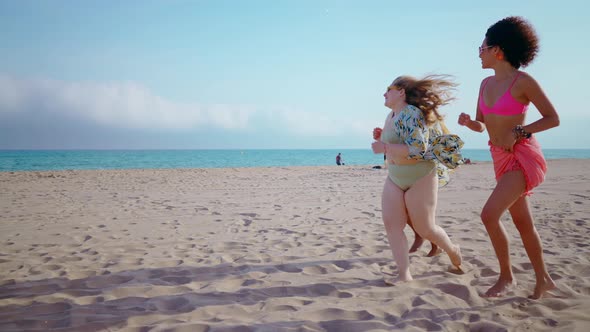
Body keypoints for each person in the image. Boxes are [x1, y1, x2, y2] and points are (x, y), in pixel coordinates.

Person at [458, 16, 559, 299]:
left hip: (522, 157)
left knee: (489, 215)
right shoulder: (483, 85)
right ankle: (544, 279)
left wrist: (522, 130)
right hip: (499, 158)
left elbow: (553, 118)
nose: (479, 52)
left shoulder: (523, 82)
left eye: (482, 47)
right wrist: (469, 123)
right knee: (523, 223)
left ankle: (506, 277)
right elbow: (482, 124)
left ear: (497, 50)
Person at [371, 74, 463, 283]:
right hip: (395, 177)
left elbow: (418, 149)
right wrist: (381, 137)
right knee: (392, 224)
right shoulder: (392, 115)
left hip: (420, 177)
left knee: (425, 228)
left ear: (401, 92)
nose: (384, 93)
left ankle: (452, 249)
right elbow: (399, 141)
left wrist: (385, 146)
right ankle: (404, 274)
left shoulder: (410, 113)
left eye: (388, 88)